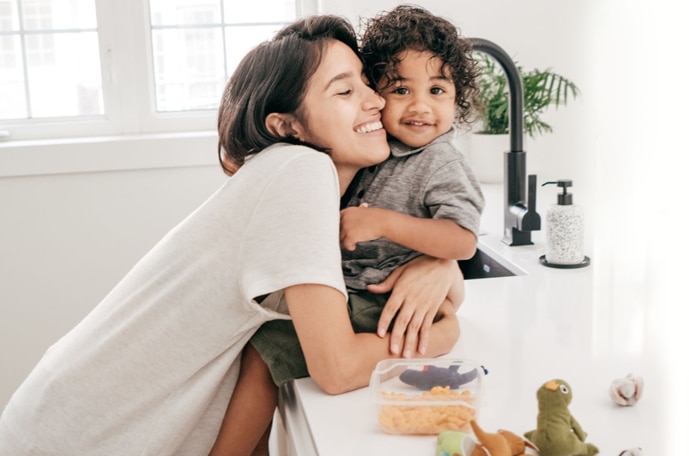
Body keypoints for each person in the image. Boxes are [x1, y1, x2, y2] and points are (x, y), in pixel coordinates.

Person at [0, 15, 461, 456]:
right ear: (288, 126)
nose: (376, 99)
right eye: (344, 90)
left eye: (365, 80)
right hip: (81, 435)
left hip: (73, 414)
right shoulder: (300, 171)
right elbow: (336, 369)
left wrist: (439, 265)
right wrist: (445, 334)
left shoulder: (326, 191)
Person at [210, 6, 483, 455]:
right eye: (399, 89)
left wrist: (392, 230)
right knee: (263, 352)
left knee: (265, 351)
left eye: (438, 90)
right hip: (356, 294)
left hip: (377, 301)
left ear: (458, 99)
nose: (419, 105)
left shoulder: (441, 161)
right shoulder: (366, 153)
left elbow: (463, 240)